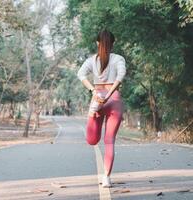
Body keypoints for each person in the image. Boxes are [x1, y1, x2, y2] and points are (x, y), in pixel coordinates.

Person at [77, 29, 126, 188]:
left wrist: (94, 91)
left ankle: (92, 113)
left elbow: (81, 74)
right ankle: (106, 177)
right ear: (113, 43)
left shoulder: (92, 60)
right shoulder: (118, 58)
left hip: (97, 98)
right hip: (114, 99)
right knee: (109, 141)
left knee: (92, 140)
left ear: (97, 43)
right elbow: (120, 76)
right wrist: (110, 94)